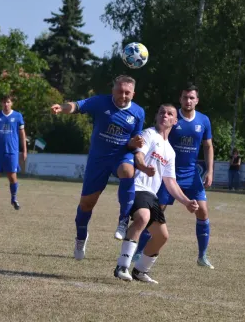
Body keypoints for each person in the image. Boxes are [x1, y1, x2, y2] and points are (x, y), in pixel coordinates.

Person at [50, 75, 145, 260]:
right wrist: (62, 108)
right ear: (113, 90)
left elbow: (135, 143)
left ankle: (123, 219)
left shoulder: (138, 113)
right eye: (120, 91)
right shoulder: (100, 102)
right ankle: (81, 237)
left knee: (128, 170)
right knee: (86, 204)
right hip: (98, 160)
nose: (123, 95)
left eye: (127, 92)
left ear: (133, 93)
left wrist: (135, 142)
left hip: (121, 156)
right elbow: (77, 106)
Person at [114, 104, 199, 283]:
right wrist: (144, 167)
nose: (165, 116)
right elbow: (138, 155)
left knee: (162, 236)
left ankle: (141, 271)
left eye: (169, 114)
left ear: (175, 121)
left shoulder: (170, 151)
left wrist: (187, 202)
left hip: (151, 194)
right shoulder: (148, 134)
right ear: (157, 116)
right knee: (142, 218)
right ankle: (122, 266)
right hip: (136, 187)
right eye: (161, 112)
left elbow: (170, 182)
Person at [134, 83, 215, 269]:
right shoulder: (172, 118)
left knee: (203, 211)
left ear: (197, 100)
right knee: (156, 213)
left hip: (191, 174)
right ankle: (138, 251)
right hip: (168, 174)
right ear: (180, 99)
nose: (188, 101)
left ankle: (202, 256)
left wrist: (210, 170)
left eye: (192, 98)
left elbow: (208, 146)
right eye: (185, 97)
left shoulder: (203, 121)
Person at [0, 94, 27, 210]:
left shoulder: (17, 116)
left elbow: (22, 134)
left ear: (11, 103)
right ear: (1, 104)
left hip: (12, 152)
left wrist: (24, 150)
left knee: (12, 177)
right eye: (4, 102)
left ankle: (14, 199)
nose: (6, 104)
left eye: (8, 102)